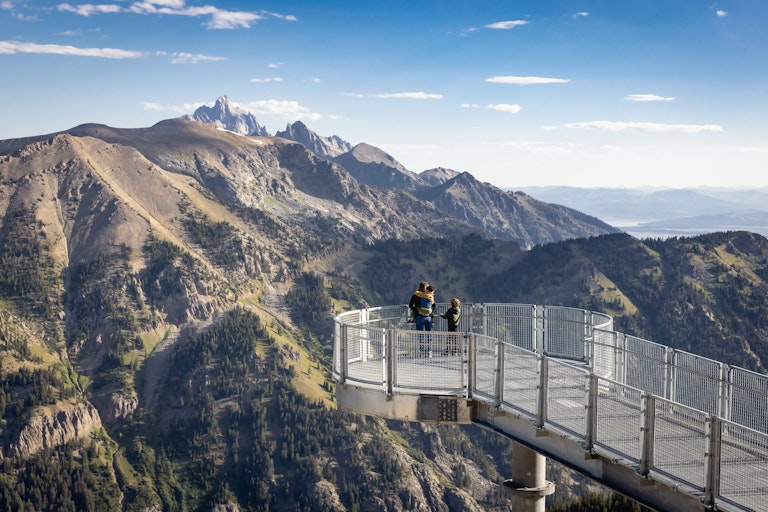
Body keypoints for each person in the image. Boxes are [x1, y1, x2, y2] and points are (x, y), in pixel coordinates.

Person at [408, 282, 435, 356]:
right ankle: (430, 351)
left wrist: (417, 311)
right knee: (429, 334)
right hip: (428, 317)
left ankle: (422, 351)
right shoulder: (429, 296)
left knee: (421, 334)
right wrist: (429, 312)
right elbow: (434, 306)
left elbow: (410, 305)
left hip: (419, 316)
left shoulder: (417, 295)